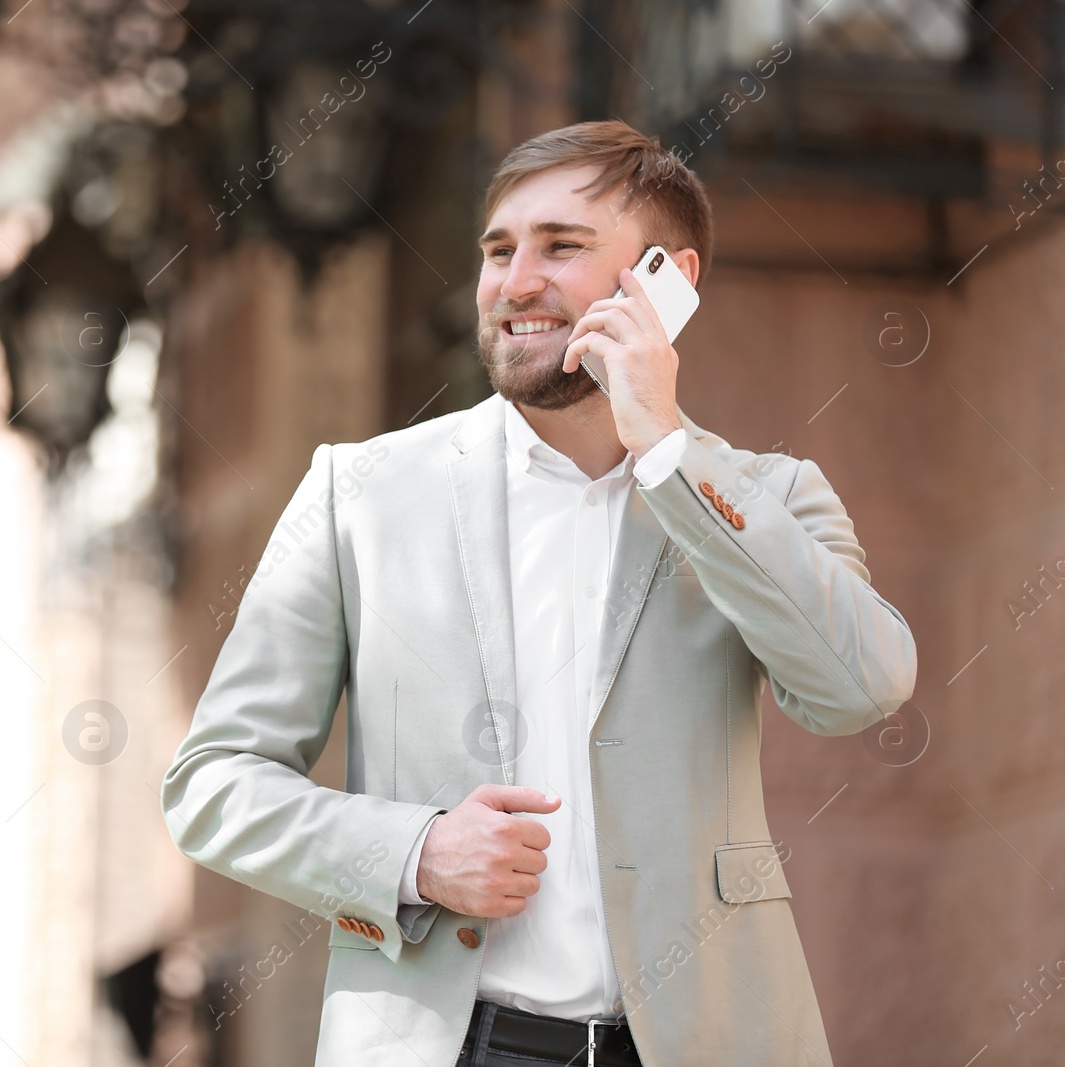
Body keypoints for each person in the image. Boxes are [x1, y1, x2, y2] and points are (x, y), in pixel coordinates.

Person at [161, 119, 917, 1067]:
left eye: (561, 247)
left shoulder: (765, 497)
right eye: (498, 249)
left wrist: (669, 454)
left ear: (666, 281)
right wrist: (415, 851)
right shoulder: (358, 493)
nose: (516, 282)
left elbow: (862, 686)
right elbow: (213, 781)